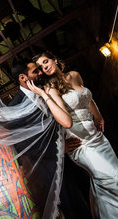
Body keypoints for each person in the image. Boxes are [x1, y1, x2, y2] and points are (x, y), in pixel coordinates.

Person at [29, 51, 118, 218]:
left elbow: (87, 98)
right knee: (114, 177)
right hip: (81, 143)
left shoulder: (75, 75)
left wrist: (98, 115)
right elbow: (65, 121)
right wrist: (44, 94)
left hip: (98, 138)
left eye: (46, 61)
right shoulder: (50, 88)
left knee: (107, 182)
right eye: (41, 67)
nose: (45, 67)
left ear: (54, 59)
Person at [9, 59, 92, 219]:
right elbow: (23, 146)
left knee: (90, 197)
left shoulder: (46, 90)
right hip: (52, 168)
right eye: (35, 71)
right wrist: (59, 148)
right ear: (22, 78)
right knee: (76, 208)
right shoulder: (14, 108)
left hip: (76, 156)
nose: (40, 73)